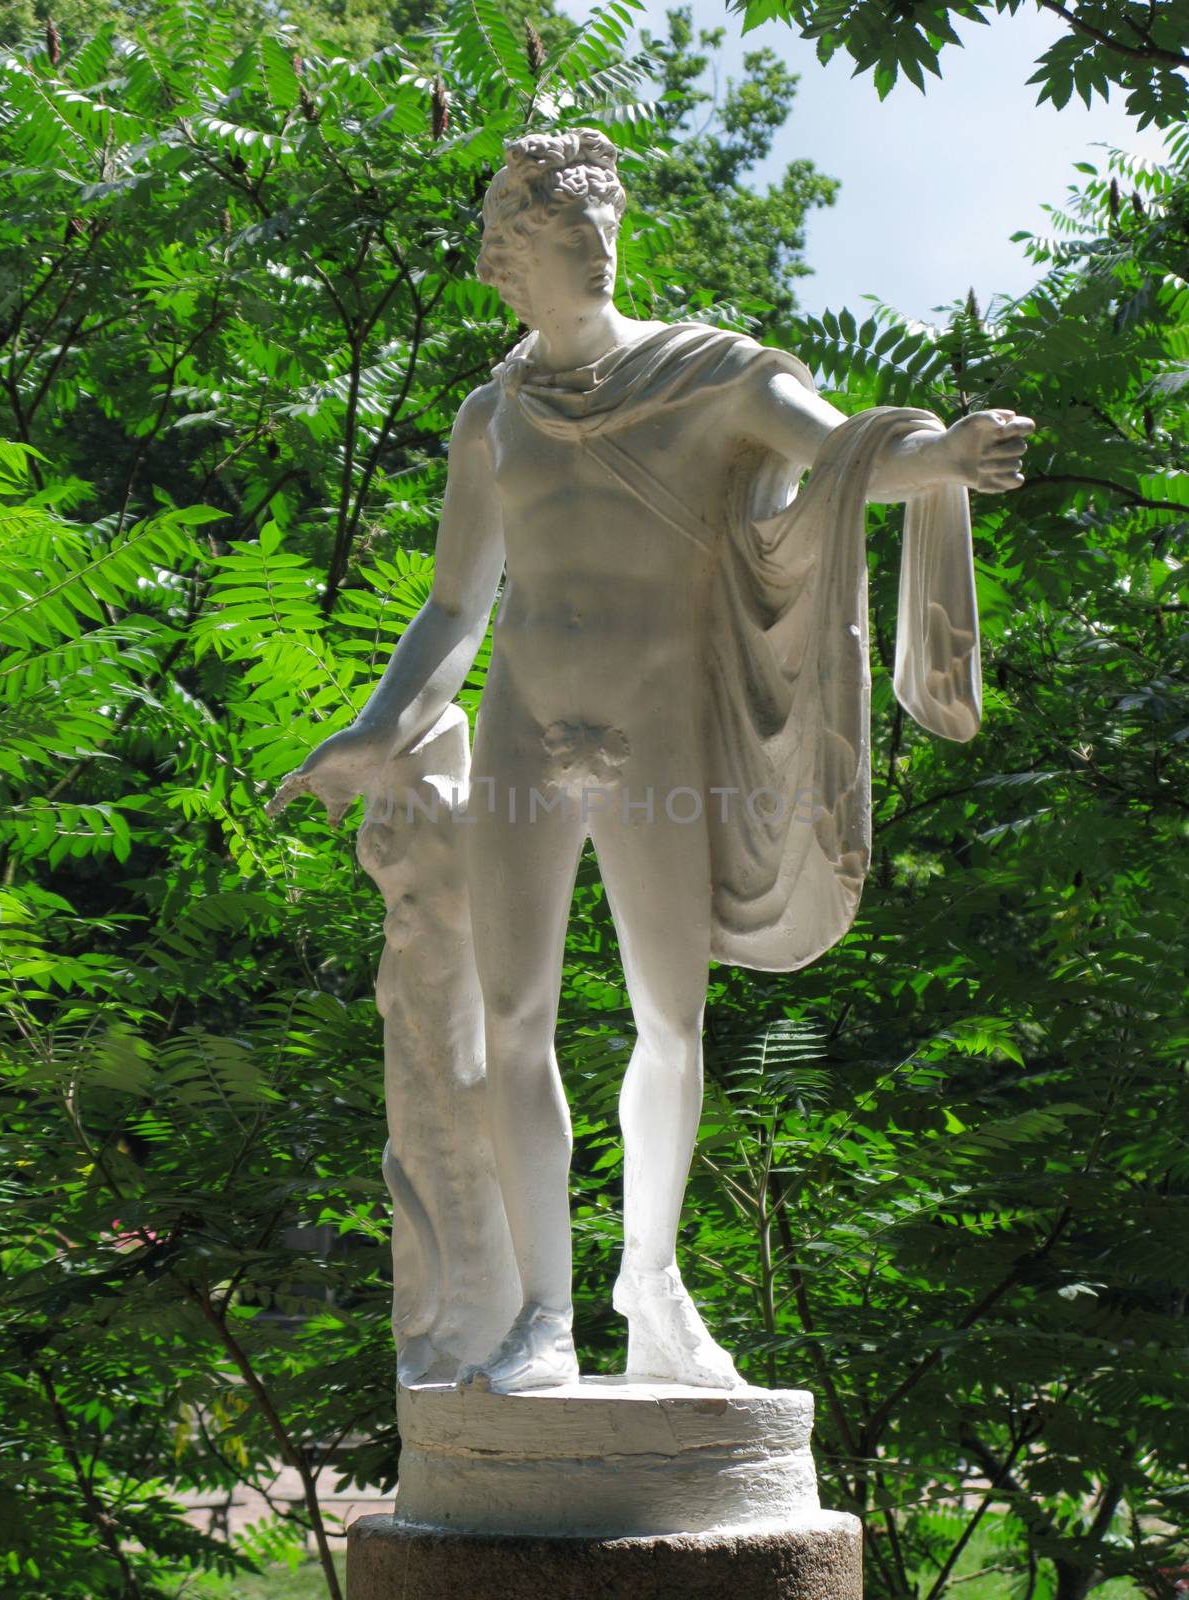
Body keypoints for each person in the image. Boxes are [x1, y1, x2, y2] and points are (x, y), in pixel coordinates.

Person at [269, 128, 1033, 1393]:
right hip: (523, 729)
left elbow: (846, 457)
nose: (596, 245)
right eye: (566, 232)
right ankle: (545, 1314)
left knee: (667, 1020)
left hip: (657, 732)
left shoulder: (712, 378)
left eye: (601, 224)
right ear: (515, 261)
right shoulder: (491, 414)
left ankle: (653, 1280)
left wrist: (942, 456)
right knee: (513, 1017)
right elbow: (456, 609)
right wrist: (381, 723)